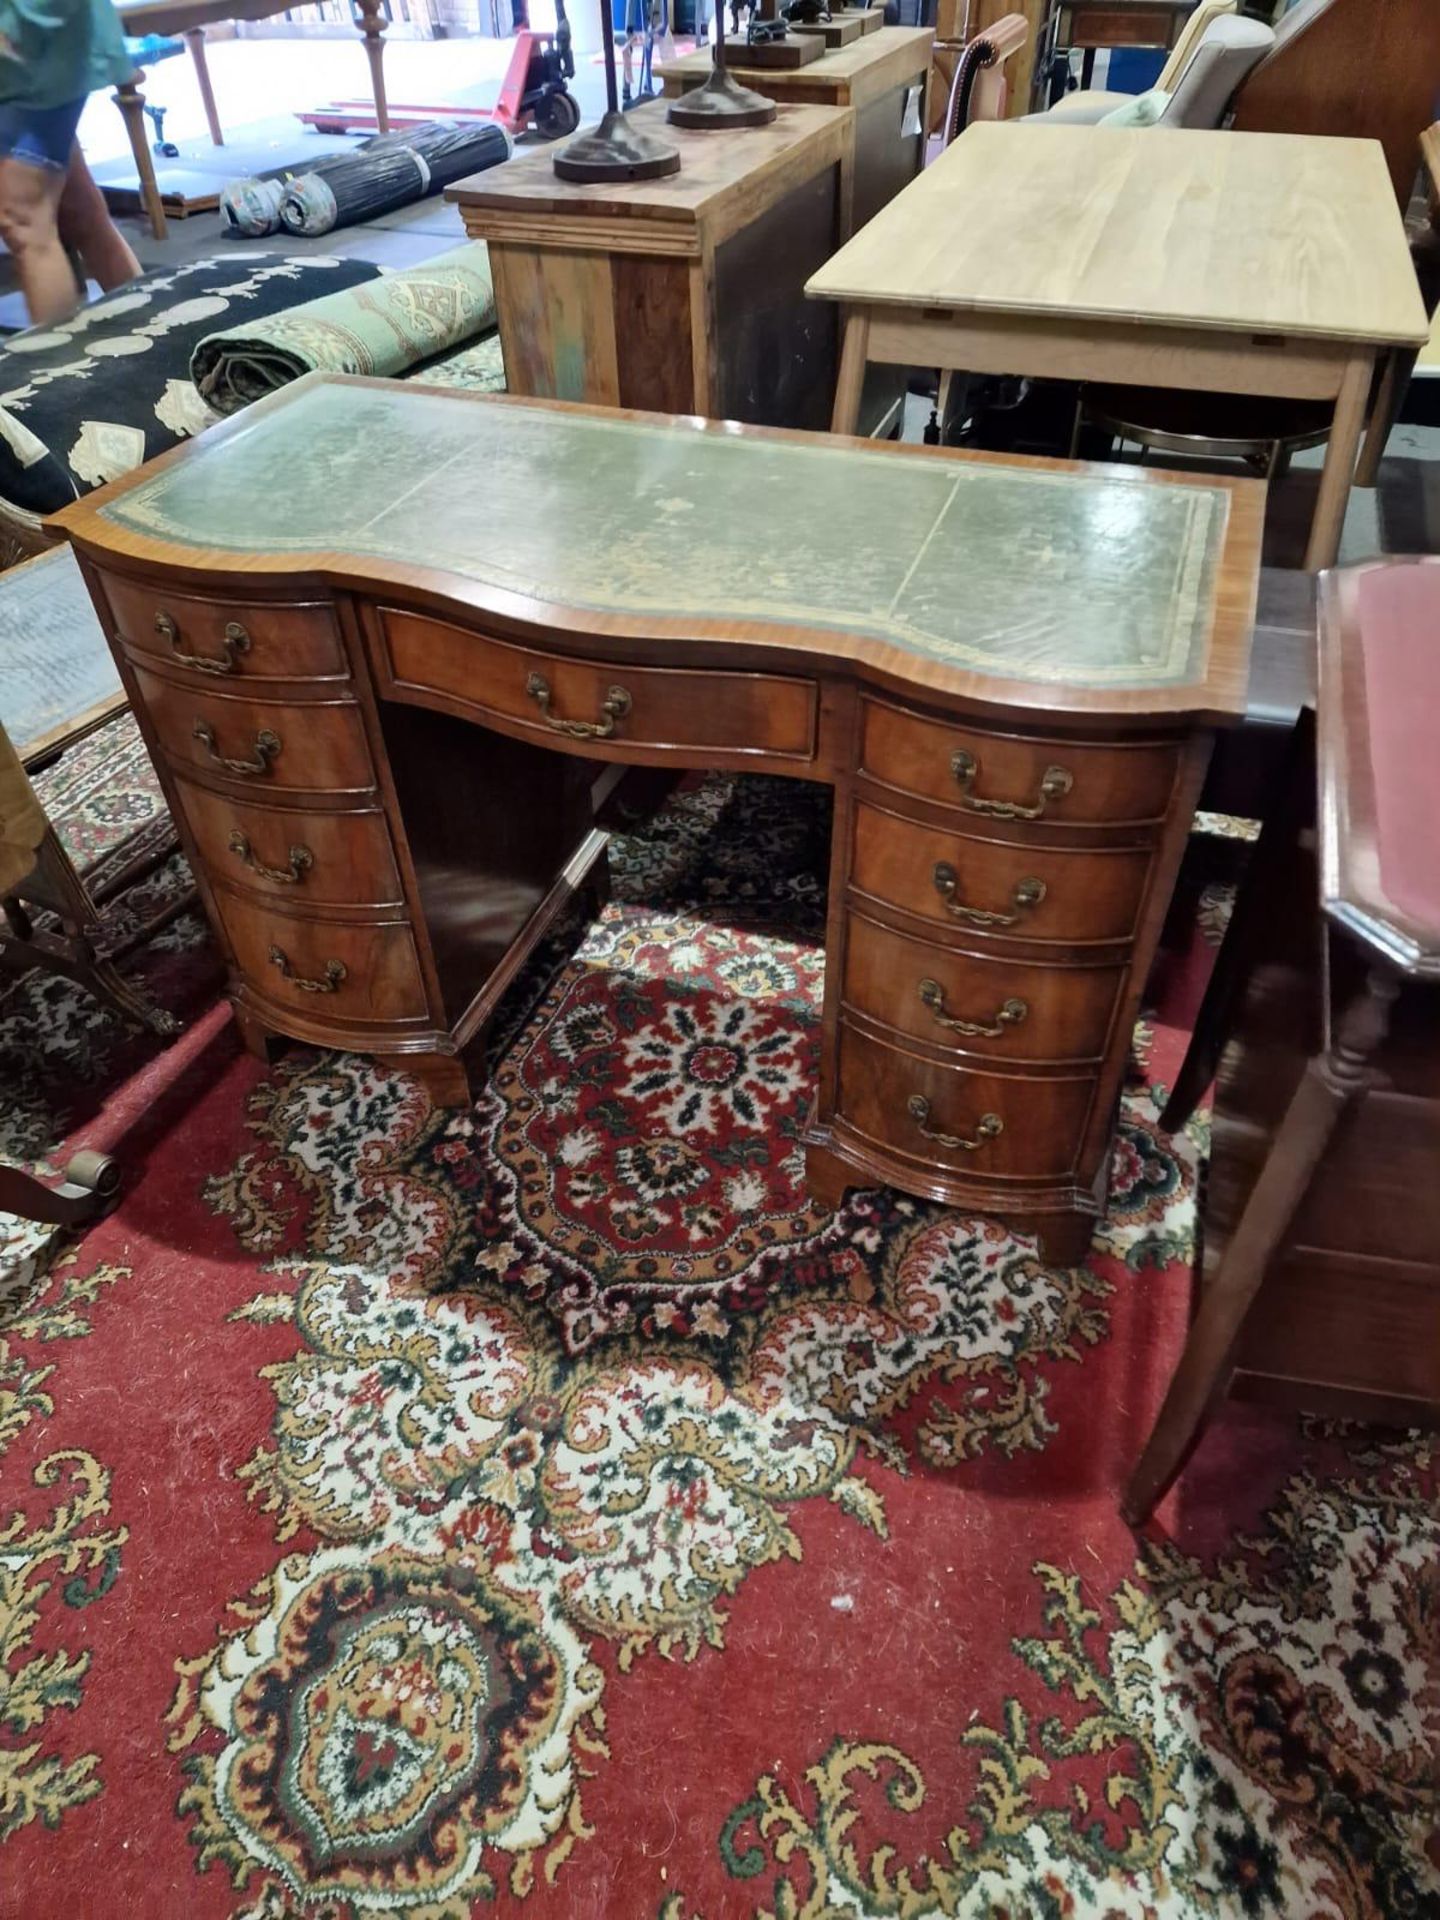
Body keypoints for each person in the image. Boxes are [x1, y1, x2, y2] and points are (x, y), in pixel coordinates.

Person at [0, 0, 141, 324]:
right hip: (22, 53)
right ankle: (163, 338)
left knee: (24, 221)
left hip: (31, 40)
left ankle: (60, 371)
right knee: (80, 211)